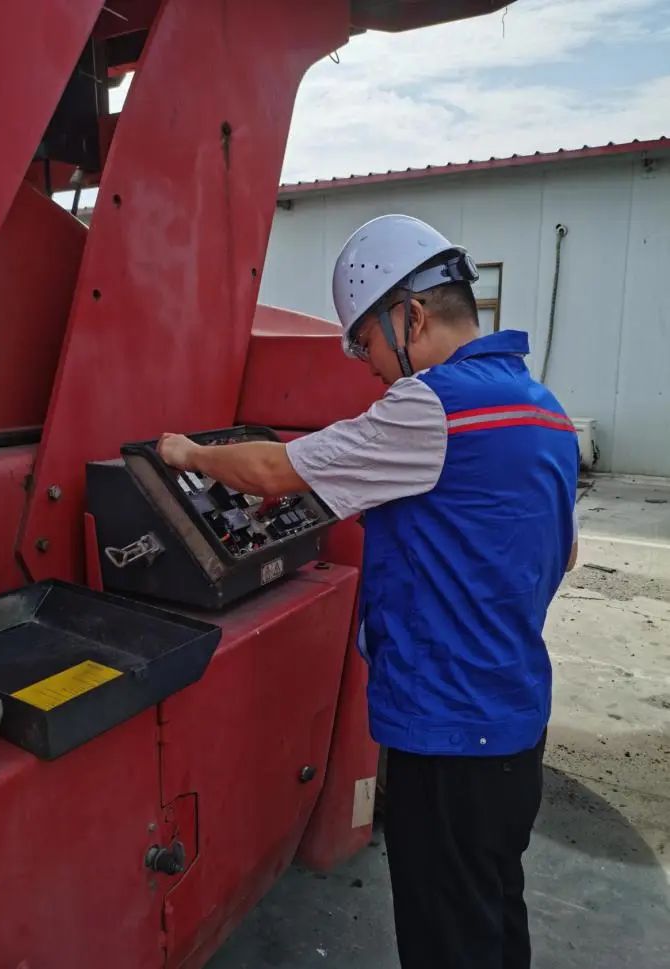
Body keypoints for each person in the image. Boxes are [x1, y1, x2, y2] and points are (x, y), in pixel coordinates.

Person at [157, 214, 580, 969]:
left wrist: (186, 453)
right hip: (515, 725)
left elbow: (274, 469)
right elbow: (560, 549)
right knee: (493, 913)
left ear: (411, 316)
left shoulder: (430, 406)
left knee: (445, 938)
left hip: (446, 732)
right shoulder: (542, 408)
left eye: (364, 342)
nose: (368, 367)